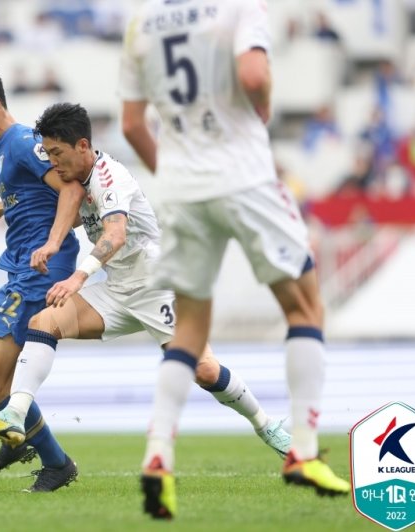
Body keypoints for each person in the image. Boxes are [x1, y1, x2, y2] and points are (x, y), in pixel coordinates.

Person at [118, 0, 351, 519]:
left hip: (183, 190)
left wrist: (178, 178)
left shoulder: (141, 23)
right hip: (245, 177)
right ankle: (304, 453)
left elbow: (132, 125)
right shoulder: (240, 7)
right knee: (306, 308)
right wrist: (263, 103)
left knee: (188, 333)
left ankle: (158, 455)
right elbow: (251, 72)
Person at [0, 102, 292, 462]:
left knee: (204, 370)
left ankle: (266, 424)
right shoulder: (77, 179)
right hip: (117, 290)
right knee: (44, 322)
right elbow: (71, 214)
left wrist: (78, 276)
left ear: (83, 146)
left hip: (158, 285)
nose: (53, 163)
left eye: (57, 153)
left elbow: (115, 235)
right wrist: (5, 209)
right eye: (49, 154)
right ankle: (15, 416)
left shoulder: (109, 178)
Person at [0, 63, 85, 492]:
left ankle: (47, 457)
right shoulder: (6, 149)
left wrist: (52, 244)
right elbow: (41, 194)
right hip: (21, 270)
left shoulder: (23, 143)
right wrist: (3, 206)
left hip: (41, 273)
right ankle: (22, 439)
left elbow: (73, 190)